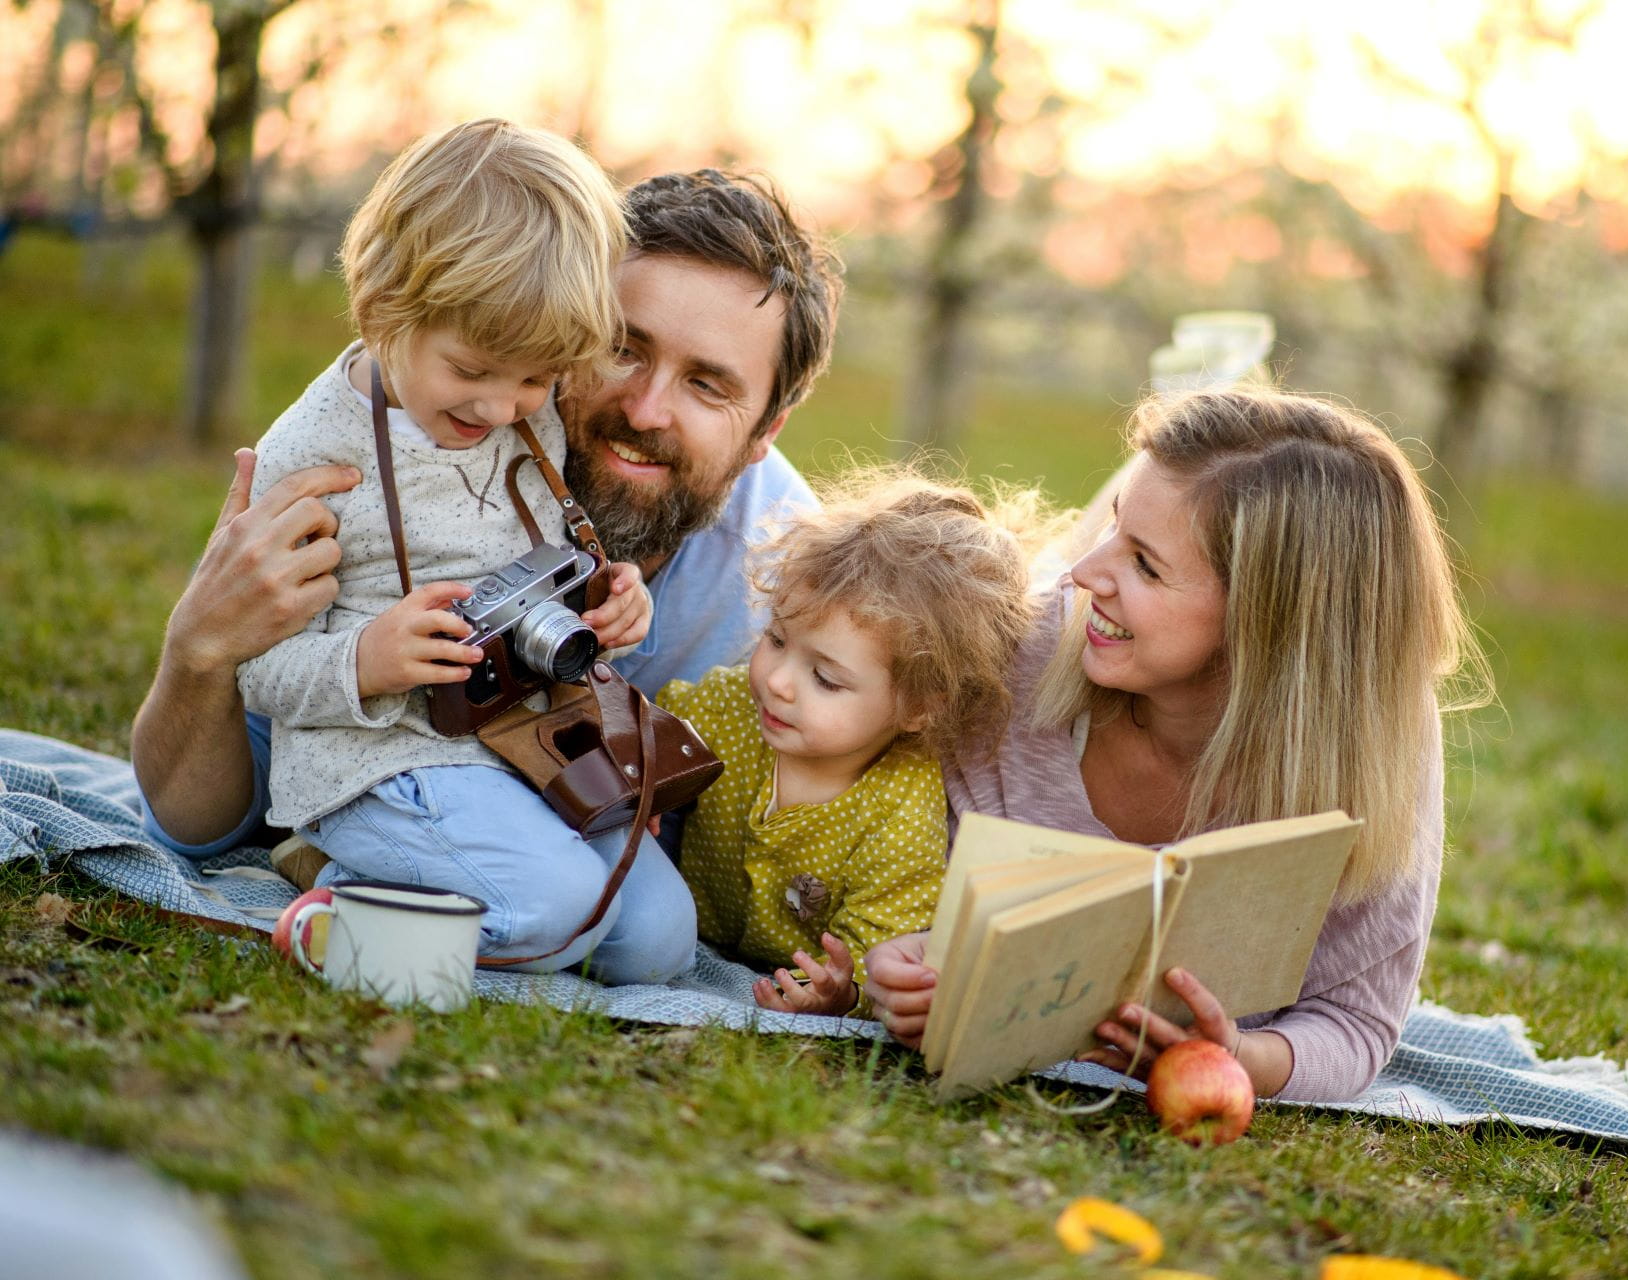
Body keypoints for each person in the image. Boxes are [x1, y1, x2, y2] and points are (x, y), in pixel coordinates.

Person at [130, 166, 842, 868]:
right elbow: (203, 828)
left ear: (764, 434)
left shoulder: (785, 594)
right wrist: (200, 646)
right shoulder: (405, 456)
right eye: (622, 348)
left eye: (707, 386)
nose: (644, 410)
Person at [862, 387, 1489, 1102]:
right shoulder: (1007, 659)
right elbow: (884, 883)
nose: (1083, 573)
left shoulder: (1373, 746)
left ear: (1267, 628)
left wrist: (1239, 1056)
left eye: (1146, 566)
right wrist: (900, 963)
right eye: (1115, 527)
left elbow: (1355, 1025)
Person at [234, 119, 691, 977]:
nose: (500, 408)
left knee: (657, 946)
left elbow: (539, 566)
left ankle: (434, 885)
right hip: (378, 766)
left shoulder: (530, 414)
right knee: (562, 917)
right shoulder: (314, 458)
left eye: (533, 378)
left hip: (524, 749)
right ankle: (337, 892)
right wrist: (367, 658)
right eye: (473, 369)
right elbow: (255, 670)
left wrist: (607, 599)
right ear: (384, 302)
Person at [654, 474, 1040, 1016]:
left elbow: (882, 947)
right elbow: (646, 742)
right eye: (777, 639)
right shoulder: (722, 708)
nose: (778, 681)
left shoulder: (902, 811)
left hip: (787, 971)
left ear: (919, 707)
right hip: (682, 927)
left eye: (826, 679)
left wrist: (844, 993)